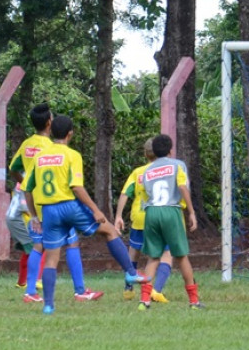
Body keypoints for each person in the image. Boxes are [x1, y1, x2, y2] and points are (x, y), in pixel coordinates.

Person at [24, 115, 151, 314]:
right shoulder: (72, 155)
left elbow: (27, 188)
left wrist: (33, 215)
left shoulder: (39, 156)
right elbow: (76, 187)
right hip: (69, 206)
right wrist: (96, 209)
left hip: (48, 211)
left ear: (51, 132)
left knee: (51, 259)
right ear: (70, 134)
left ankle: (48, 305)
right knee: (109, 231)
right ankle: (130, 273)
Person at [9, 103, 101, 303]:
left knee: (38, 245)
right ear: (50, 123)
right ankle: (80, 290)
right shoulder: (52, 148)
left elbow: (13, 168)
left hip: (32, 200)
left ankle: (30, 291)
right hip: (53, 203)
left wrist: (22, 181)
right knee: (72, 242)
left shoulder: (27, 144)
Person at [136, 134, 204, 311]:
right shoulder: (177, 165)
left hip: (151, 211)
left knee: (153, 257)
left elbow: (144, 194)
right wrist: (191, 211)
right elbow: (182, 186)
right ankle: (194, 301)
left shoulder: (147, 171)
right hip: (171, 210)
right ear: (170, 150)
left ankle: (144, 300)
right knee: (181, 256)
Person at [114, 137, 173, 303]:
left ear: (145, 154)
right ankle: (156, 290)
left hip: (139, 219)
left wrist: (118, 216)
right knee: (166, 254)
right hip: (159, 217)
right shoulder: (167, 170)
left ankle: (128, 287)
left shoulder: (138, 172)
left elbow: (125, 193)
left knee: (133, 252)